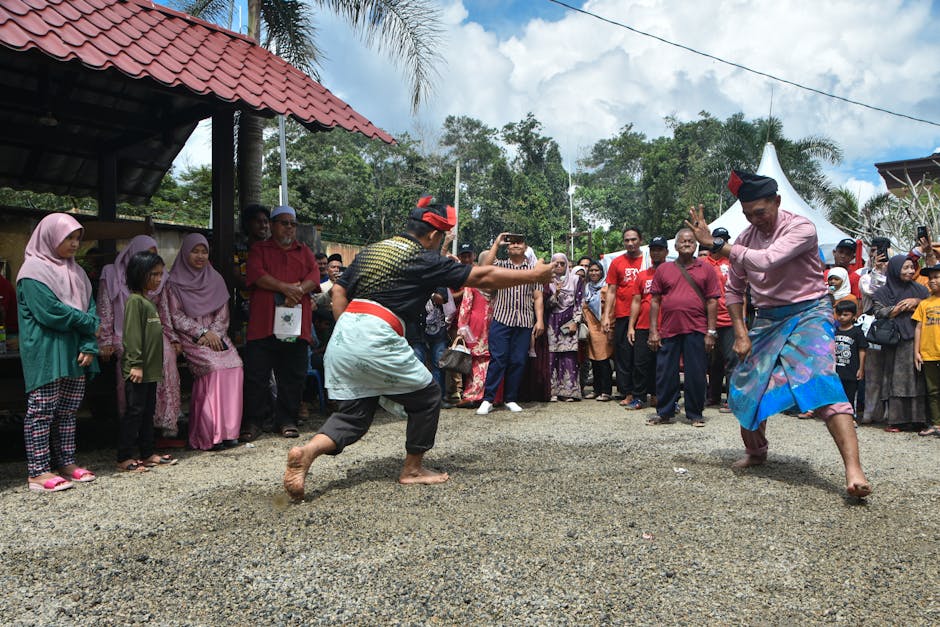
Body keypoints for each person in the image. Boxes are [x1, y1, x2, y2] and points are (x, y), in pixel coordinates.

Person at [282, 197, 554, 499]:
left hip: (345, 332)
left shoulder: (374, 249)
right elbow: (482, 276)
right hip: (378, 331)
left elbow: (340, 288)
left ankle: (306, 453)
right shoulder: (423, 257)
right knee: (427, 396)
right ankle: (412, 469)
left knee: (355, 415)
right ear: (435, 236)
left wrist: (348, 327)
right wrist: (535, 275)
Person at [686, 170, 871, 498]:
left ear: (777, 201)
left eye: (761, 212)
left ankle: (853, 470)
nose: (755, 220)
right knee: (745, 386)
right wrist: (741, 333)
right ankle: (757, 452)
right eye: (748, 215)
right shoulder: (744, 240)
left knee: (821, 382)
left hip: (810, 313)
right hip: (769, 319)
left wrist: (716, 245)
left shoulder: (801, 228)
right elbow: (734, 292)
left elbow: (768, 261)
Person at [17, 213, 99, 492]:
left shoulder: (77, 273)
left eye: (77, 238)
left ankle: (66, 462)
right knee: (41, 410)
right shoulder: (33, 271)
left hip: (75, 352)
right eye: (68, 238)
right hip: (46, 351)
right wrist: (90, 325)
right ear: (50, 237)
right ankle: (38, 471)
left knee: (68, 411)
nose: (75, 244)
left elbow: (90, 307)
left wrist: (89, 344)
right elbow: (52, 312)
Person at [241, 205, 320, 442]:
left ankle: (286, 420)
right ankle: (254, 421)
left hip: (294, 326)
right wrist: (285, 287)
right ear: (273, 225)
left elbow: (314, 276)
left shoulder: (303, 250)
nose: (289, 228)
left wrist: (297, 291)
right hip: (263, 324)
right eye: (284, 223)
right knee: (257, 376)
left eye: (292, 224)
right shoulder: (259, 249)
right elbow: (256, 274)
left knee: (292, 376)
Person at [98, 235, 182, 441]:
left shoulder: (159, 278)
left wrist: (172, 337)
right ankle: (131, 425)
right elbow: (105, 310)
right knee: (130, 364)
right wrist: (105, 341)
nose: (150, 261)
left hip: (153, 332)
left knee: (167, 356)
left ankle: (164, 419)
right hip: (123, 333)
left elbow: (164, 311)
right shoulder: (111, 274)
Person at [166, 234, 244, 451]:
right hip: (192, 336)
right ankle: (209, 433)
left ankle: (229, 432)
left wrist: (215, 334)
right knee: (214, 367)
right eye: (195, 251)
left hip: (216, 336)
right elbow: (176, 316)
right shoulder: (173, 282)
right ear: (185, 252)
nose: (200, 256)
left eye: (204, 251)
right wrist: (202, 332)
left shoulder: (215, 278)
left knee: (235, 365)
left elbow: (223, 312)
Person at [646, 229, 719, 427]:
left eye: (690, 241)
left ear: (696, 245)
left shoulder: (706, 269)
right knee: (665, 372)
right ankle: (665, 412)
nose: (686, 244)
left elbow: (712, 301)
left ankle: (695, 413)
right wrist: (653, 330)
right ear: (676, 246)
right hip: (669, 329)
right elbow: (655, 301)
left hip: (697, 328)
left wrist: (711, 332)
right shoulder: (664, 269)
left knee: (696, 373)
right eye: (683, 241)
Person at [119, 251, 178, 471]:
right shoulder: (135, 301)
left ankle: (147, 452)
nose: (158, 278)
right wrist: (135, 363)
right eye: (153, 274)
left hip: (151, 371)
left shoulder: (148, 301)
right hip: (138, 370)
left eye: (161, 274)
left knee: (147, 413)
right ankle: (123, 456)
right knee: (134, 412)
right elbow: (132, 336)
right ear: (139, 274)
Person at [476, 232, 545, 415]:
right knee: (498, 359)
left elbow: (537, 296)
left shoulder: (533, 270)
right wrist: (497, 243)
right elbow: (484, 268)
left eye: (519, 243)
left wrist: (540, 320)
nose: (515, 245)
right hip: (502, 318)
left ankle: (511, 398)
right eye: (512, 243)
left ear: (525, 247)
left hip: (523, 320)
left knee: (518, 361)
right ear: (507, 247)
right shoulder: (500, 266)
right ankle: (488, 399)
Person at [872, 254, 928, 433]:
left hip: (917, 339)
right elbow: (878, 312)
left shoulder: (920, 290)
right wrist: (898, 309)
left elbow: (930, 305)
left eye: (912, 267)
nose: (910, 271)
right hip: (894, 341)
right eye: (906, 268)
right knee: (895, 379)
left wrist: (917, 302)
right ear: (895, 270)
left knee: (917, 379)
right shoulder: (883, 292)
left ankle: (918, 419)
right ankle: (897, 419)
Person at [603, 227, 650, 405]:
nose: (630, 243)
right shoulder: (617, 262)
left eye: (634, 240)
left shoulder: (648, 260)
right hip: (623, 314)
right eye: (627, 240)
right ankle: (628, 392)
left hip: (645, 315)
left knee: (643, 356)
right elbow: (612, 291)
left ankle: (646, 391)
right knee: (624, 355)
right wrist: (607, 316)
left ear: (640, 240)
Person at [625, 236, 669, 410]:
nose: (656, 252)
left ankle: (663, 397)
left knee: (665, 365)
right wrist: (631, 326)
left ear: (666, 252)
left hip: (666, 326)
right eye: (653, 249)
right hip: (643, 326)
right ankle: (639, 397)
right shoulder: (643, 276)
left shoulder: (673, 273)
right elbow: (636, 301)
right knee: (640, 364)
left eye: (659, 249)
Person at [704, 227, 735, 412]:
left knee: (732, 361)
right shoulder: (702, 263)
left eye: (724, 240)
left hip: (730, 319)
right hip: (708, 320)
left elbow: (742, 294)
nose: (721, 243)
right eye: (718, 239)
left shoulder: (732, 264)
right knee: (713, 362)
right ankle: (713, 396)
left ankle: (731, 399)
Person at [546, 253, 584, 401]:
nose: (560, 266)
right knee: (552, 355)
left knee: (569, 356)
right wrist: (556, 293)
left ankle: (569, 391)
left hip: (569, 320)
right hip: (552, 320)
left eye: (563, 263)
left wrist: (576, 320)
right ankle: (552, 391)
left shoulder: (575, 280)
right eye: (556, 264)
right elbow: (545, 304)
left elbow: (580, 301)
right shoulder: (547, 280)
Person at [913, 263, 940, 437]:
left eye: (937, 276)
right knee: (933, 391)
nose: (933, 281)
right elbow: (918, 327)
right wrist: (917, 351)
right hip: (928, 353)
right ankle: (937, 424)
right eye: (930, 278)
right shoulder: (924, 303)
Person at [582, 260, 613, 401]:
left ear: (602, 272)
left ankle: (606, 391)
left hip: (603, 329)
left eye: (597, 270)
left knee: (603, 360)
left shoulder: (607, 289)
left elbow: (611, 309)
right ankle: (596, 389)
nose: (594, 273)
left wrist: (611, 326)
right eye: (592, 270)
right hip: (590, 328)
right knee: (593, 360)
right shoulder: (585, 288)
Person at [833, 301, 867, 416]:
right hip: (836, 370)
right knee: (837, 394)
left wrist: (861, 368)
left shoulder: (857, 332)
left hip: (852, 370)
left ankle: (851, 416)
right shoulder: (834, 331)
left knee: (851, 395)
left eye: (845, 314)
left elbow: (862, 350)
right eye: (839, 314)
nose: (842, 317)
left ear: (853, 315)